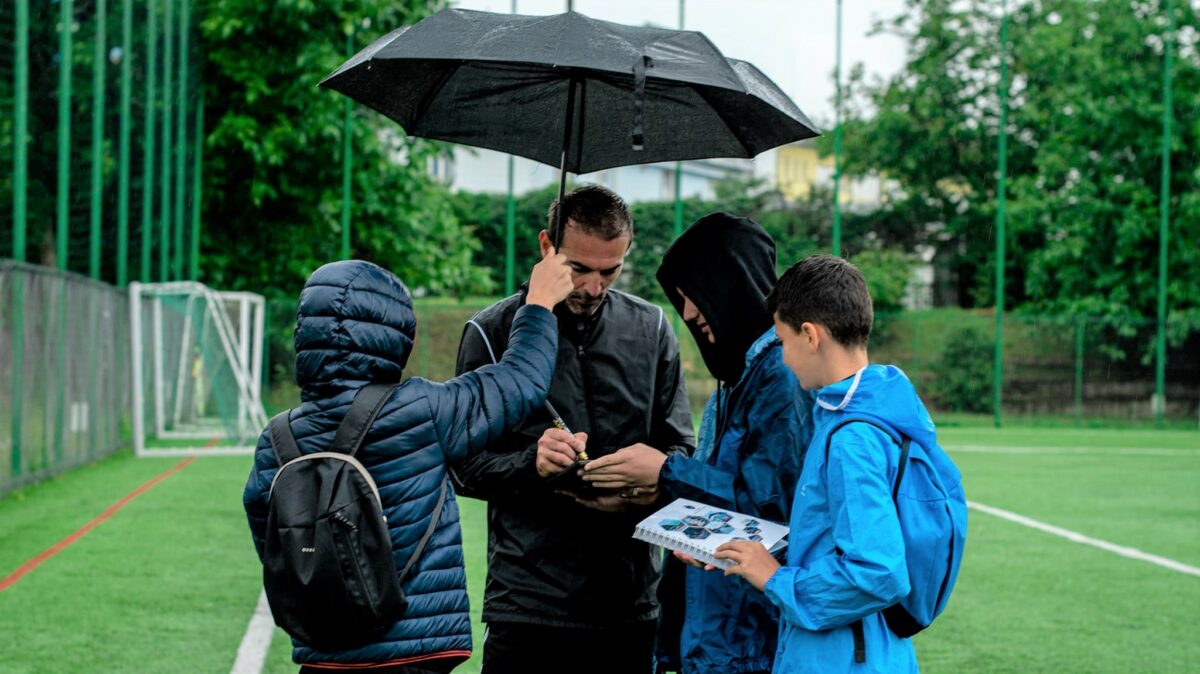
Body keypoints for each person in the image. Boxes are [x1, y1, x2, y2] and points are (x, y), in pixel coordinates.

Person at [243, 253, 574, 674]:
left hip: (325, 653)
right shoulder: (422, 410)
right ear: (397, 335)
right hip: (415, 652)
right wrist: (539, 304)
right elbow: (521, 381)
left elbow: (273, 541)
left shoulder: (276, 438)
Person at [452, 184, 695, 674]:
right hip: (528, 606)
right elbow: (462, 467)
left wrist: (645, 488)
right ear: (547, 247)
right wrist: (532, 463)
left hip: (630, 607)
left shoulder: (652, 326)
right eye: (578, 269)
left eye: (611, 270)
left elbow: (681, 452)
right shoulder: (492, 331)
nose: (592, 287)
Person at [581, 213, 815, 674]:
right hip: (717, 637)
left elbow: (771, 512)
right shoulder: (736, 377)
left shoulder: (781, 377)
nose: (687, 313)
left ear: (729, 283)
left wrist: (665, 473)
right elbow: (722, 496)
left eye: (693, 295)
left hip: (751, 641)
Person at [714, 254, 929, 673]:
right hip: (864, 648)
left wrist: (775, 578)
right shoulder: (865, 408)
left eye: (783, 341)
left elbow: (878, 572)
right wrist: (750, 553)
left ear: (810, 336)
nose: (785, 359)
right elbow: (836, 537)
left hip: (844, 656)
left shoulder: (853, 438)